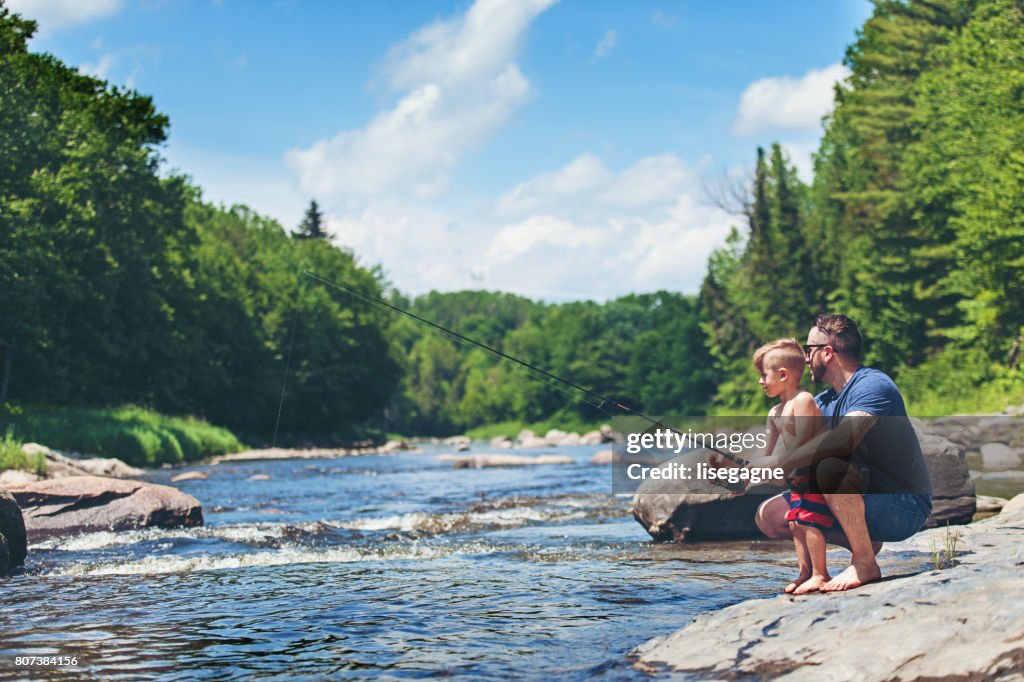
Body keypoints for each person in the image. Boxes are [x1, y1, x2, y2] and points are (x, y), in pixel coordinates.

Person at [754, 314, 933, 592]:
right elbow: (791, 468)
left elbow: (841, 443)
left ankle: (864, 562)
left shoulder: (873, 385)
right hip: (862, 499)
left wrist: (779, 460)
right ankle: (862, 541)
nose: (805, 357)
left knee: (830, 463)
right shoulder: (822, 402)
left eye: (808, 350)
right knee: (771, 514)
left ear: (826, 353)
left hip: (902, 505)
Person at [752, 339, 830, 594]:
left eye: (764, 375)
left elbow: (801, 444)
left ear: (783, 374)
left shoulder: (804, 400)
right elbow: (767, 452)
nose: (760, 382)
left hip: (816, 475)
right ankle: (804, 573)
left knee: (809, 521)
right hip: (796, 478)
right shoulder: (774, 412)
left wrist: (776, 465)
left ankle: (820, 574)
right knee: (795, 522)